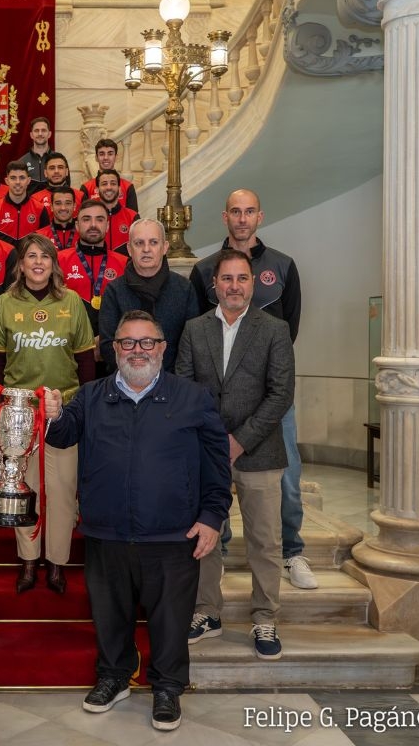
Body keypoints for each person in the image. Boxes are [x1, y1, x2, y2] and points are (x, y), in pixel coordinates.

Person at [43, 310, 230, 732]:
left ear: (162, 348)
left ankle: (167, 687)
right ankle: (113, 676)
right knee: (110, 612)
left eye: (148, 342)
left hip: (172, 534)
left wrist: (212, 516)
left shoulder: (193, 397)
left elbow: (218, 465)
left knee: (170, 619)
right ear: (114, 350)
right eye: (128, 342)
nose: (138, 350)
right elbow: (62, 435)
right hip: (106, 531)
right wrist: (53, 413)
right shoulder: (91, 396)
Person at [187, 188, 313, 590]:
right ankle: (217, 549)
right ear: (225, 217)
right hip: (216, 403)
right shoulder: (204, 268)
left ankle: (292, 552)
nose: (242, 219)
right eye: (235, 212)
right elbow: (200, 335)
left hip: (269, 398)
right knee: (211, 487)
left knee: (288, 480)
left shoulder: (283, 266)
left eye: (249, 212)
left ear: (260, 216)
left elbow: (287, 331)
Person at [176, 248, 294, 660]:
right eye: (226, 279)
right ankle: (207, 611)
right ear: (214, 285)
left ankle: (265, 615)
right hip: (206, 453)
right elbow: (185, 390)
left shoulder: (273, 330)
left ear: (252, 283)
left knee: (264, 539)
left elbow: (281, 395)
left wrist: (239, 440)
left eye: (242, 279)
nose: (234, 287)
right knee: (205, 536)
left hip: (260, 452)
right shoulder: (194, 330)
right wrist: (214, 442)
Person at [0, 233, 94, 594]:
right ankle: (29, 561)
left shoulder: (73, 302)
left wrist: (83, 407)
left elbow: (85, 360)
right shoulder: (5, 303)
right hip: (20, 412)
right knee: (23, 486)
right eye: (31, 256)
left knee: (62, 489)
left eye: (45, 257)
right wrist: (2, 405)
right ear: (21, 264)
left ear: (53, 264)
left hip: (63, 409)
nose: (38, 263)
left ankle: (57, 563)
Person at [98, 218, 197, 373]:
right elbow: (108, 345)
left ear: (165, 247)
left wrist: (174, 382)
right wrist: (135, 378)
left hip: (173, 381)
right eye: (139, 243)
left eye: (153, 242)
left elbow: (191, 343)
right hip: (125, 381)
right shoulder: (114, 291)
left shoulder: (184, 288)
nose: (146, 249)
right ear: (129, 249)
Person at [58, 200, 126, 341]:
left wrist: (106, 339)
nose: (93, 225)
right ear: (77, 225)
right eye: (86, 219)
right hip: (68, 344)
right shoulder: (59, 261)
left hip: (110, 345)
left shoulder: (124, 263)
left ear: (107, 226)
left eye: (99, 219)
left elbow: (127, 311)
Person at [0, 160, 44, 245]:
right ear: (6, 181)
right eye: (13, 178)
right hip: (4, 258)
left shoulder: (40, 209)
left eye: (22, 178)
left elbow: (44, 243)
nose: (17, 182)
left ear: (28, 180)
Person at [80, 138, 138, 211]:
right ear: (96, 158)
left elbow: (133, 218)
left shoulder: (128, 187)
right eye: (101, 154)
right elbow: (83, 217)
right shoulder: (86, 188)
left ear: (116, 157)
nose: (106, 158)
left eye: (110, 154)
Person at [94, 169, 138, 254]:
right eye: (104, 184)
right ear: (97, 189)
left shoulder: (132, 217)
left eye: (113, 183)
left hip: (125, 266)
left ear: (119, 189)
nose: (109, 187)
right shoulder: (90, 218)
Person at [31, 152, 84, 216]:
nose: (56, 171)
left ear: (67, 171)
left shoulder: (80, 197)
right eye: (52, 168)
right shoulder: (35, 199)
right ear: (45, 173)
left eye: (60, 167)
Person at [36, 186, 79, 250]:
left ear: (74, 206)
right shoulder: (39, 236)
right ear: (51, 207)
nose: (63, 208)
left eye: (68, 203)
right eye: (58, 203)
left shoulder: (84, 235)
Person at [19, 116, 53, 189]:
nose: (40, 134)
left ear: (49, 134)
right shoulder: (22, 162)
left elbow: (66, 188)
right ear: (31, 135)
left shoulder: (58, 160)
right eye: (36, 130)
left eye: (43, 130)